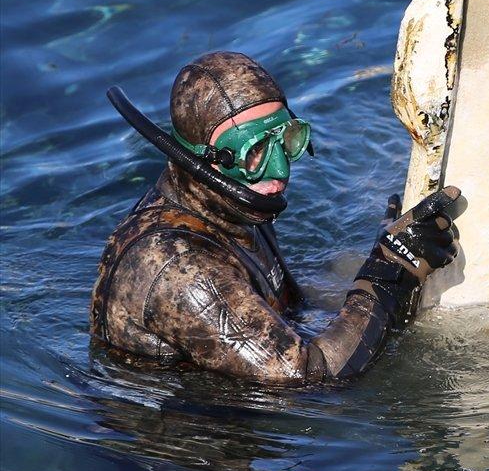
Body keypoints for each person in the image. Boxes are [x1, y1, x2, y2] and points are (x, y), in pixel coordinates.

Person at [90, 51, 461, 386]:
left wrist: (383, 258)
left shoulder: (231, 205)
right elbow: (311, 376)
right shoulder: (179, 267)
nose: (280, 170)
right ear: (205, 158)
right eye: (254, 151)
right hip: (193, 432)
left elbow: (289, 310)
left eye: (286, 140)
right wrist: (390, 270)